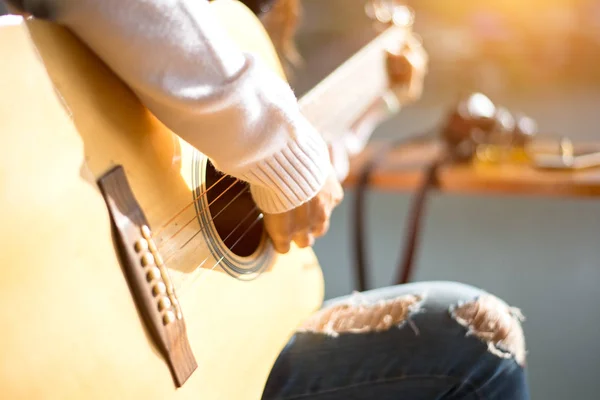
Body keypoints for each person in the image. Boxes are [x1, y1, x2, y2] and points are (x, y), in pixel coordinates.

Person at [3, 0, 531, 398]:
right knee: (476, 353)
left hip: (198, 363)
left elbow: (279, 199)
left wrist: (372, 99)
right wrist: (279, 148)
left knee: (475, 335)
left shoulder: (242, 29)